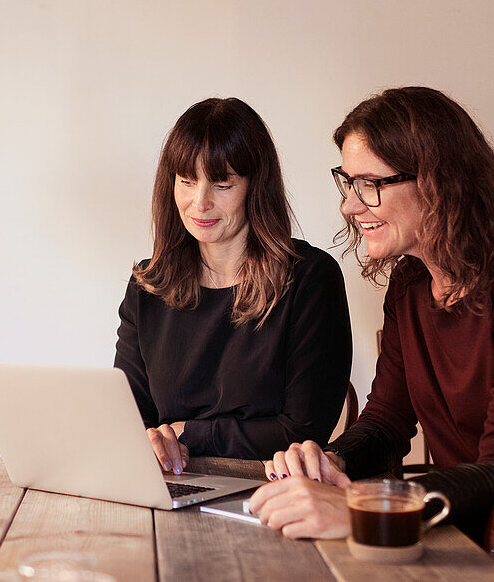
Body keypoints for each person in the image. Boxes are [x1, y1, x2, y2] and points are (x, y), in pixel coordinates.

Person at [248, 87, 494, 581]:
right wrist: (335, 461)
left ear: (439, 181)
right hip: (462, 536)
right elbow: (386, 422)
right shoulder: (411, 282)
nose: (349, 206)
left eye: (368, 183)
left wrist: (364, 508)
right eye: (347, 183)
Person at [114, 97, 352, 474]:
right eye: (187, 181)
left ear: (256, 186)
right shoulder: (149, 285)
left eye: (222, 183)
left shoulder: (310, 279)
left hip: (268, 485)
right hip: (169, 483)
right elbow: (128, 420)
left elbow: (303, 429)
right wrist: (153, 439)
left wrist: (187, 433)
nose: (200, 202)